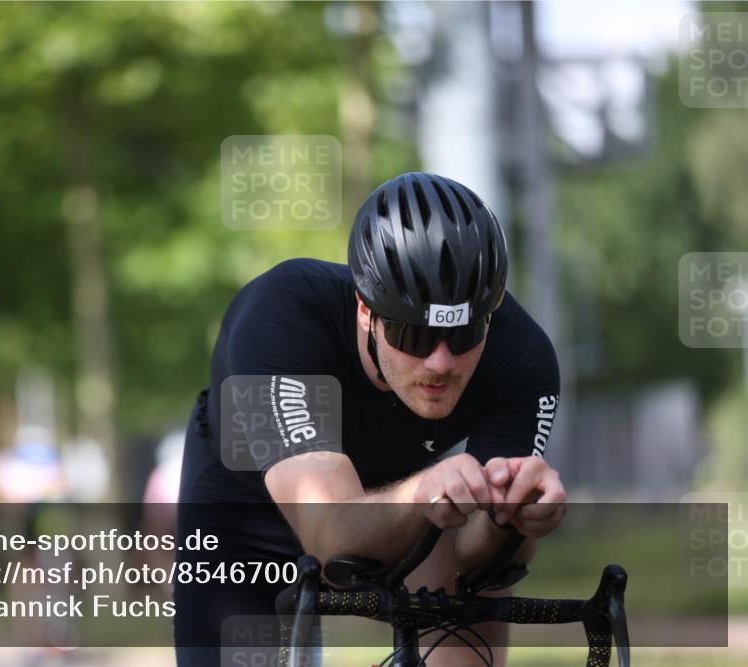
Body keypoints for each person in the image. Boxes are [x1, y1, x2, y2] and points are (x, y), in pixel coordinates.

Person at [174, 172, 566, 667]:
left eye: (465, 334)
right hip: (248, 504)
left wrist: (513, 518)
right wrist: (425, 492)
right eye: (414, 337)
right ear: (365, 310)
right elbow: (333, 543)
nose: (441, 363)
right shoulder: (280, 318)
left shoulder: (520, 356)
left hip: (404, 490)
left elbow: (476, 558)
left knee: (479, 602)